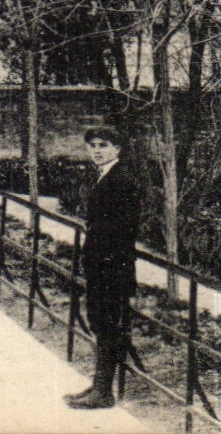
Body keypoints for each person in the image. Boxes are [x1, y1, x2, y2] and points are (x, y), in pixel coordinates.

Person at [66, 125, 142, 410]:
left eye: (103, 145)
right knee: (100, 324)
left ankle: (104, 392)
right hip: (101, 266)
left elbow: (125, 228)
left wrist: (107, 261)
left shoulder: (121, 180)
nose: (97, 151)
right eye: (92, 146)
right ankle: (100, 385)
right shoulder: (106, 176)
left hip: (113, 268)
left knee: (108, 326)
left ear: (117, 149)